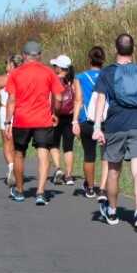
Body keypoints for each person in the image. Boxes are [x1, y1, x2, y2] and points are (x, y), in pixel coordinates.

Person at [91, 33, 137, 231]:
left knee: (113, 171)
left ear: (116, 49)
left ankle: (113, 211)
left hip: (115, 126)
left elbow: (100, 100)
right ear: (133, 49)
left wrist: (98, 127)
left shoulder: (107, 72)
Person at [5, 40, 63, 205]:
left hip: (21, 120)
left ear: (24, 56)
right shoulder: (48, 72)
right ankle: (40, 192)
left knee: (19, 153)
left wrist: (8, 122)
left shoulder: (16, 73)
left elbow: (11, 100)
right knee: (43, 152)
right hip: (43, 119)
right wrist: (55, 112)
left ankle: (20, 190)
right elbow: (58, 97)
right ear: (39, 56)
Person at [73, 45, 109, 199]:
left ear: (89, 59)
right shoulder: (109, 76)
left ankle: (89, 188)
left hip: (87, 120)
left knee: (89, 154)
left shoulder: (80, 77)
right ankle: (103, 187)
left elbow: (78, 100)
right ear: (103, 60)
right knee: (106, 155)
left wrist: (74, 121)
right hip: (106, 120)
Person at [0, 55, 22, 185]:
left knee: (7, 142)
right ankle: (16, 169)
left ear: (12, 65)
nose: (5, 66)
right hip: (19, 111)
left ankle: (12, 167)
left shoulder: (2, 79)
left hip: (4, 111)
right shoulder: (22, 78)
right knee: (16, 142)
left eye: (7, 63)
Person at [49, 55, 78, 186]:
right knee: (68, 147)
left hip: (55, 115)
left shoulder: (53, 80)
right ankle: (69, 176)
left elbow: (50, 99)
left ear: (60, 68)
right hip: (70, 116)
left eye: (55, 66)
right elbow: (78, 99)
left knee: (54, 144)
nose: (54, 68)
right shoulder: (72, 80)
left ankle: (58, 169)